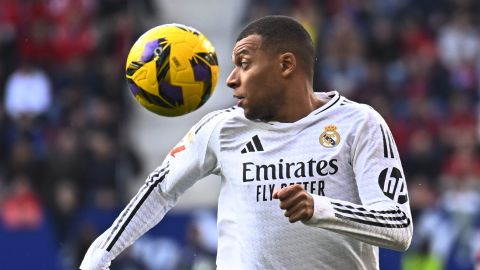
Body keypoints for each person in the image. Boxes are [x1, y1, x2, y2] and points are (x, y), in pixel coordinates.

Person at [80, 15, 413, 270]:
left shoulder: (359, 124)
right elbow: (161, 189)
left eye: (244, 63)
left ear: (285, 65)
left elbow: (398, 227)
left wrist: (321, 208)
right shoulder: (221, 128)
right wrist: (100, 254)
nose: (230, 79)